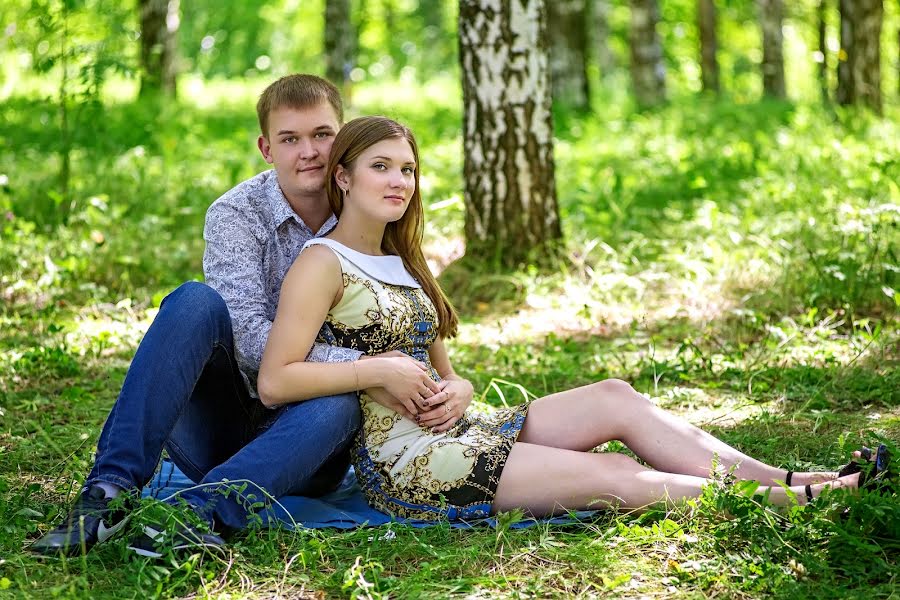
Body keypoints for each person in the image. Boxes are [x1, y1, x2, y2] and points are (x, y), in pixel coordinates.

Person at [257, 116, 871, 522]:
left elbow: (444, 372)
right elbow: (276, 379)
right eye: (381, 167)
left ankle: (790, 476)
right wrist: (375, 370)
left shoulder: (403, 260)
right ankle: (795, 503)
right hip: (410, 463)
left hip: (460, 426)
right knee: (614, 472)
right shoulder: (323, 262)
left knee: (613, 396)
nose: (400, 182)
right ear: (342, 176)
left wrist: (462, 387)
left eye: (409, 169)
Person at [32, 75, 473, 557]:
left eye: (322, 135)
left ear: (342, 138)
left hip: (316, 438)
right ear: (267, 148)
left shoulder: (371, 205)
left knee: (340, 400)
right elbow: (245, 336)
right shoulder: (236, 214)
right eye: (290, 139)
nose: (309, 152)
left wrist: (446, 382)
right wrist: (367, 370)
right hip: (225, 421)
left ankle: (206, 513)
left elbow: (416, 329)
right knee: (194, 303)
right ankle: (108, 494)